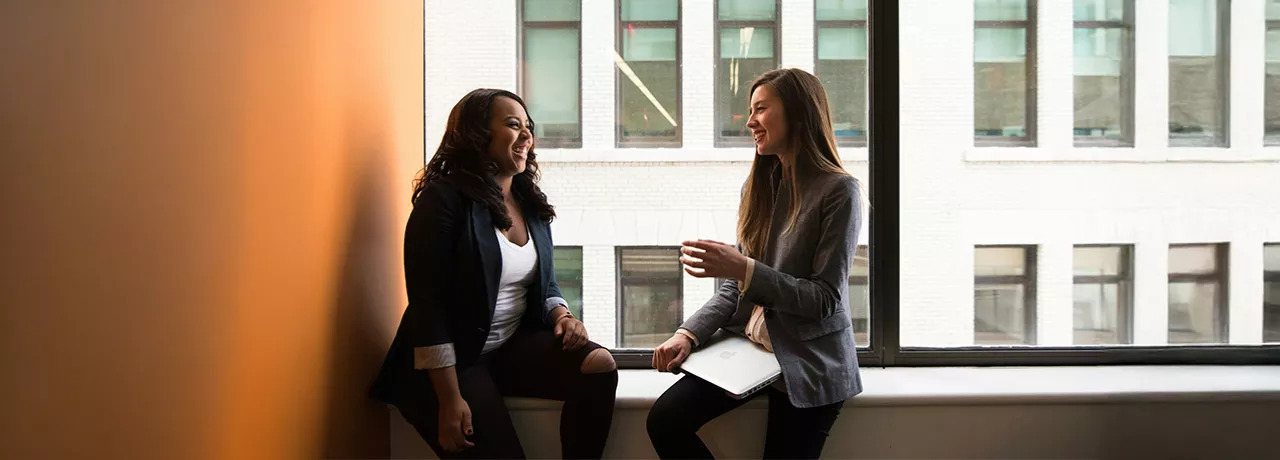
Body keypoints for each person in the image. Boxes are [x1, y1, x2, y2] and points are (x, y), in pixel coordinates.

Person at [370, 88, 618, 459]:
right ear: (477, 133)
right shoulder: (442, 200)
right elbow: (428, 308)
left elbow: (543, 282)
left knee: (599, 366)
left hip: (504, 347)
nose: (526, 136)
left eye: (528, 127)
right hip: (452, 364)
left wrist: (562, 314)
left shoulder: (528, 201)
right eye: (513, 125)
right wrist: (450, 400)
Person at [646, 68, 864, 460]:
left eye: (761, 109)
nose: (749, 122)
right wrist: (687, 334)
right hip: (753, 351)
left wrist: (743, 269)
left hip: (809, 361)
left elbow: (825, 299)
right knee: (664, 420)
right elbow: (736, 287)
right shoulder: (758, 186)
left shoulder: (839, 190)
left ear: (798, 113)